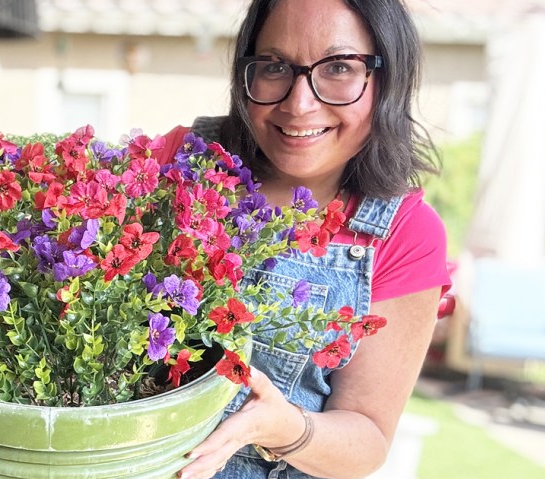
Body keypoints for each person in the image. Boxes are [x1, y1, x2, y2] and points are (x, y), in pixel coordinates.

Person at [172, 0, 452, 478]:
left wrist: (285, 429)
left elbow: (367, 440)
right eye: (276, 66)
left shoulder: (406, 234)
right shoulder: (181, 161)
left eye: (339, 66)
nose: (298, 103)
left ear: (387, 79)